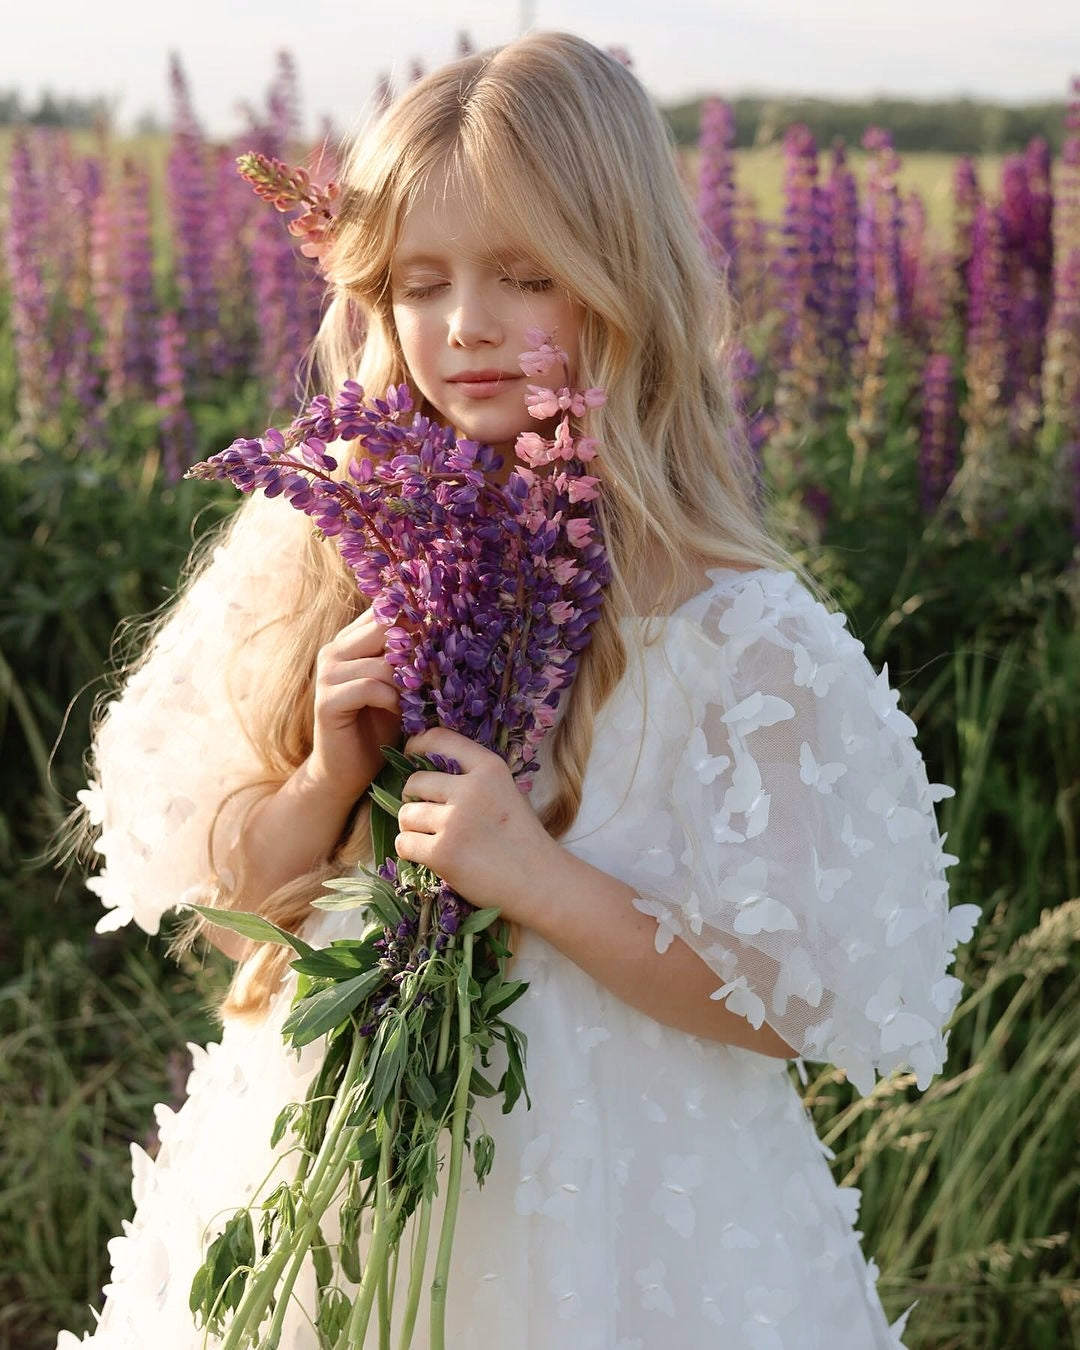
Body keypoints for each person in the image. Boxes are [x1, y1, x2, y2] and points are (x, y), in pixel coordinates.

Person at [57, 31, 970, 1350]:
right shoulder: (320, 553)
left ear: (623, 282)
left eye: (525, 275)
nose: (465, 325)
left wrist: (536, 879)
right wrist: (323, 773)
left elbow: (789, 996)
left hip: (618, 1206)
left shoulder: (727, 620)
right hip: (336, 1196)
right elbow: (230, 915)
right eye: (418, 283)